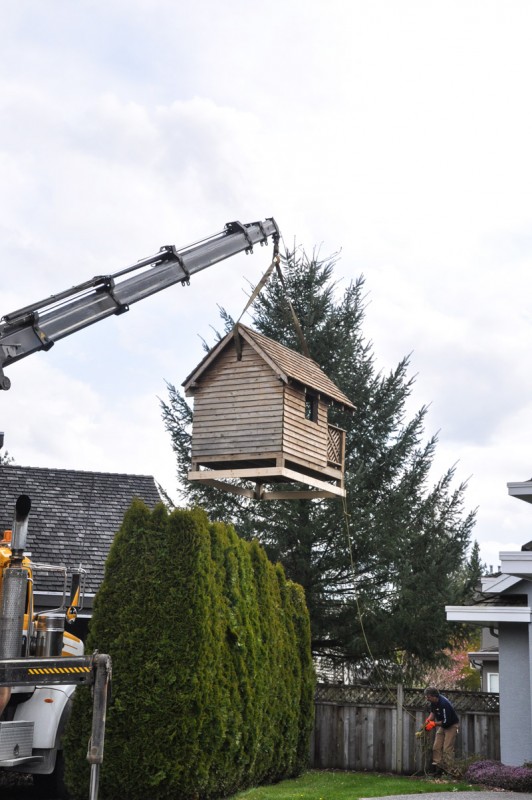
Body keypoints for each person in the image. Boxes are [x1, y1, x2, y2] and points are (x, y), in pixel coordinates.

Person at [424, 687, 459, 773]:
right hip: (443, 726)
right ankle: (438, 769)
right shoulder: (433, 702)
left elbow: (446, 722)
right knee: (436, 747)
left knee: (447, 749)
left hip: (451, 725)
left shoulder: (444, 704)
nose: (426, 698)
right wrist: (428, 721)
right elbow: (433, 712)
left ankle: (449, 771)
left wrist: (434, 724)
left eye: (428, 697)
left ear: (433, 696)